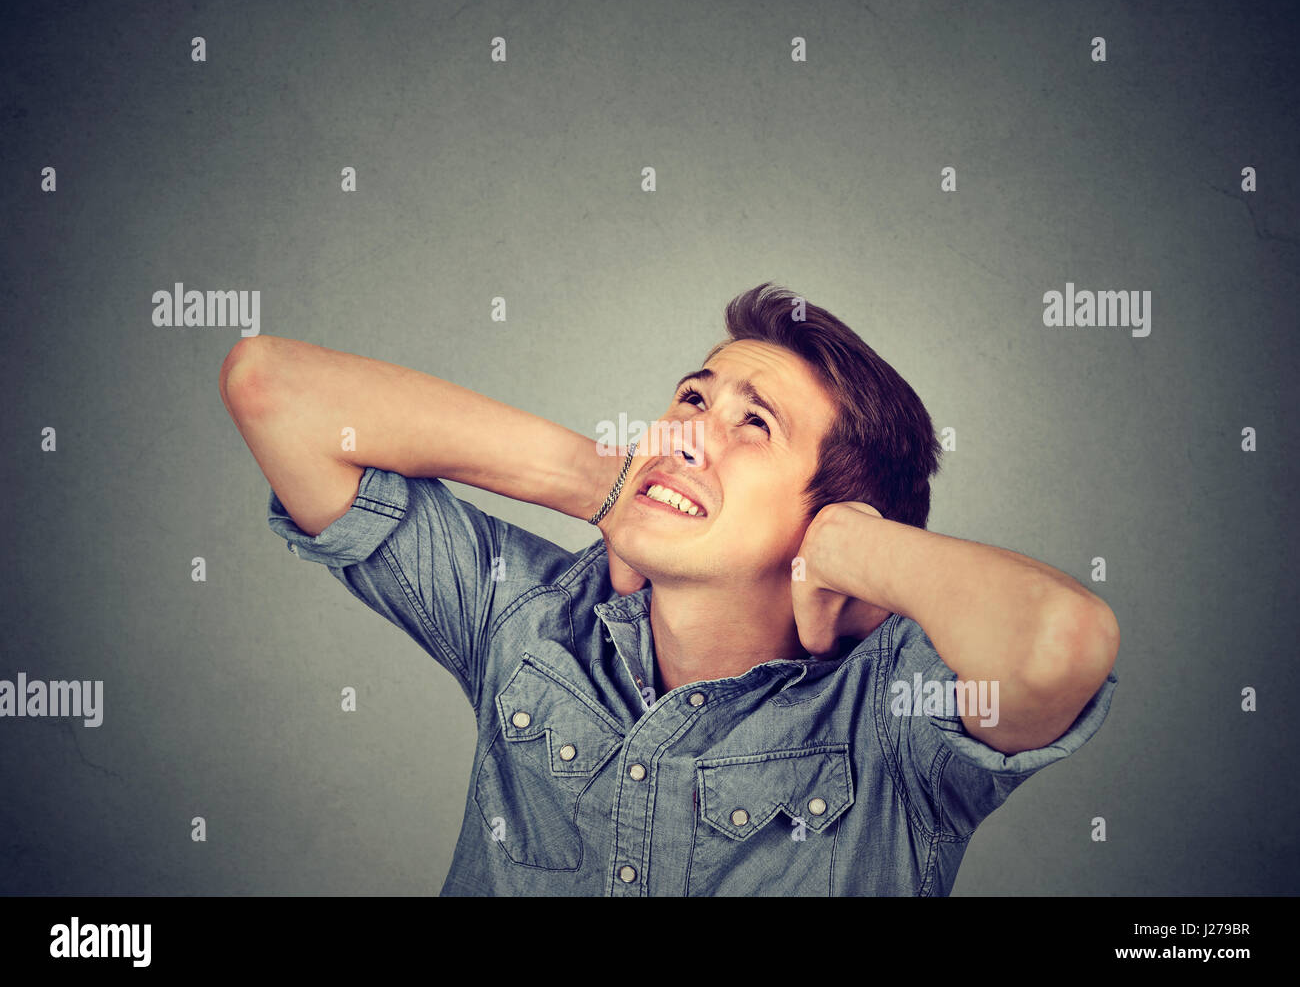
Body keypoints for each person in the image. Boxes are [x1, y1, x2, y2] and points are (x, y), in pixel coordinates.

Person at [218, 282, 1119, 895]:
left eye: (751, 424)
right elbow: (273, 391)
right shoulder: (529, 622)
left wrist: (854, 549)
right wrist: (596, 481)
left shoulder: (895, 719)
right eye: (691, 400)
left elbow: (1060, 642)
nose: (687, 433)